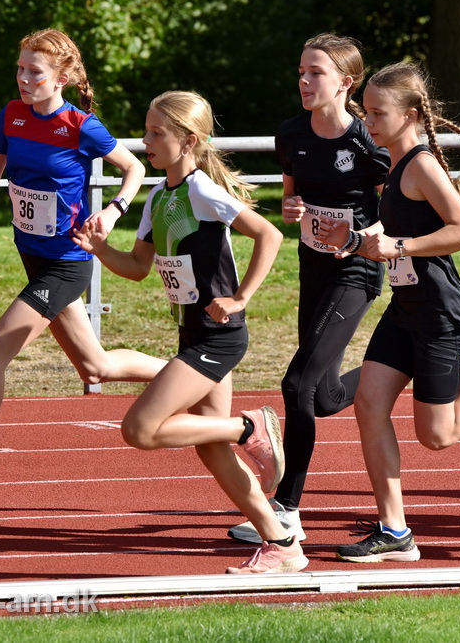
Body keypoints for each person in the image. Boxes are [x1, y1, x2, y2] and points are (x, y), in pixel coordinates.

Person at [0, 28, 167, 507]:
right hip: (32, 256)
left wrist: (113, 211)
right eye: (20, 69)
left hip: (66, 263)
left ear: (61, 78)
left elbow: (135, 168)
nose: (24, 79)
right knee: (96, 366)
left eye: (35, 72)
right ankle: (183, 374)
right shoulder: (11, 116)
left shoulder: (80, 125)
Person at [73, 90, 307, 574]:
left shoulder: (201, 190)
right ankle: (282, 542)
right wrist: (100, 250)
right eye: (145, 130)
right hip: (193, 334)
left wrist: (240, 297)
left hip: (219, 335)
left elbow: (269, 234)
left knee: (139, 429)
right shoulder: (159, 196)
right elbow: (138, 267)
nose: (145, 141)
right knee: (211, 449)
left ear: (189, 141)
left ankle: (249, 427)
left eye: (156, 133)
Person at [312, 62, 460, 562]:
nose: (368, 121)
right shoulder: (394, 165)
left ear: (409, 115)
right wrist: (356, 240)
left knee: (437, 435)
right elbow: (397, 235)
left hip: (439, 312)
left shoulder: (422, 165)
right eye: (365, 111)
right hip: (405, 307)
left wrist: (399, 246)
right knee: (368, 404)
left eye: (377, 113)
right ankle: (395, 531)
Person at [226, 34, 391, 545]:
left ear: (345, 83)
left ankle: (287, 509)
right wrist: (291, 208)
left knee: (296, 385)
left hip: (355, 271)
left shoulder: (367, 142)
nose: (304, 80)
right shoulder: (291, 132)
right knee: (322, 397)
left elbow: (396, 216)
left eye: (316, 72)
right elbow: (290, 197)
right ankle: (417, 369)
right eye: (301, 71)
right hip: (312, 268)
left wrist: (358, 237)